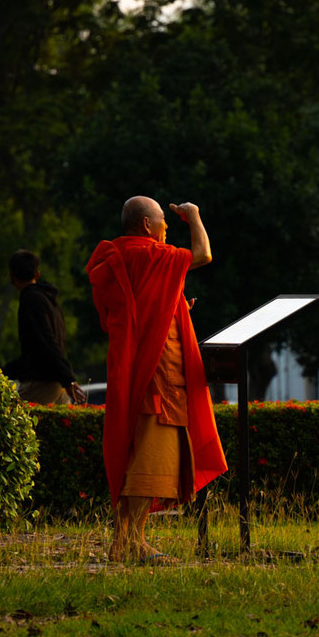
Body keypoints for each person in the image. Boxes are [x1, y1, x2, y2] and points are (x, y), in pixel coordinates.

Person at [85, 197, 227, 562]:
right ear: (147, 226)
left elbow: (140, 308)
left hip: (130, 364)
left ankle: (132, 540)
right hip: (156, 372)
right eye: (164, 221)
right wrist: (194, 215)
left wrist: (173, 306)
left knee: (139, 450)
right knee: (148, 456)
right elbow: (203, 254)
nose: (167, 227)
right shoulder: (151, 254)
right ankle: (126, 542)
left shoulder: (117, 255)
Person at [3, 250, 85, 405]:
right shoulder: (49, 301)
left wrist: (68, 379)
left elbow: (45, 342)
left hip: (42, 382)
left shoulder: (31, 299)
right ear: (37, 274)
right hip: (56, 380)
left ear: (12, 276)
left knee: (10, 422)